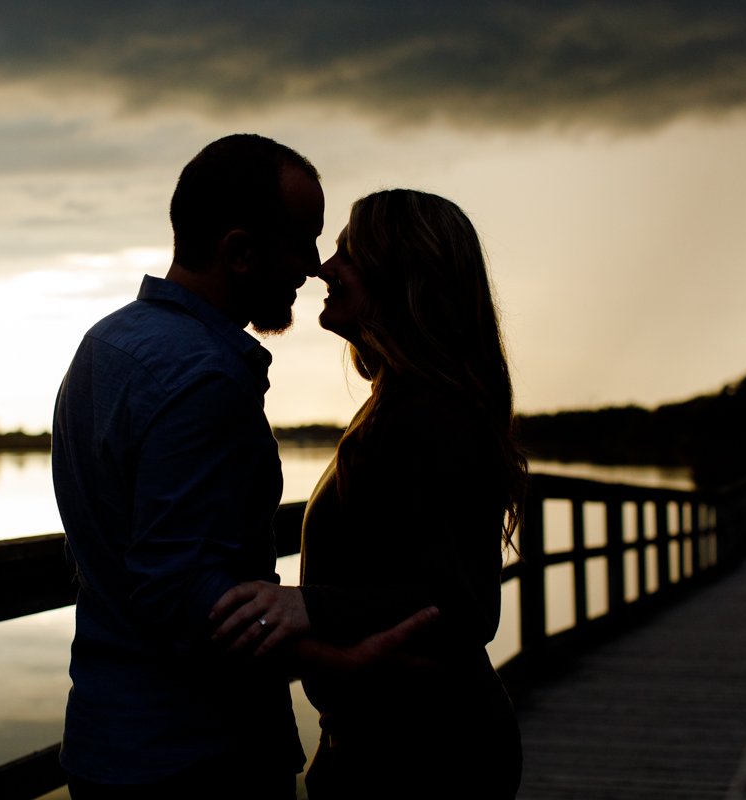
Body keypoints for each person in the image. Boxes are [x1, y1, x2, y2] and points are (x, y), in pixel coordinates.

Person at [213, 189, 525, 797]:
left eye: (348, 253)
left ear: (405, 274)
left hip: (427, 759)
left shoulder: (432, 414)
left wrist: (311, 606)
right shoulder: (402, 403)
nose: (323, 268)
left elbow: (464, 604)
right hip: (391, 744)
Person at [50, 133, 324, 799]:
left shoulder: (106, 343)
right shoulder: (205, 376)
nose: (313, 267)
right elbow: (180, 590)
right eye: (301, 241)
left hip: (107, 741)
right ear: (239, 252)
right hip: (200, 761)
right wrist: (339, 641)